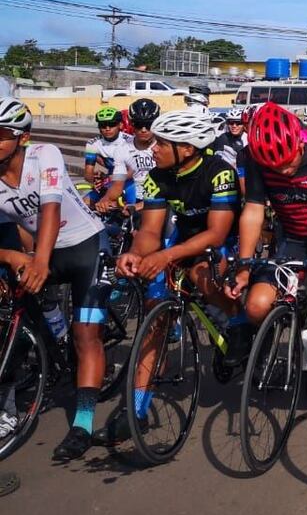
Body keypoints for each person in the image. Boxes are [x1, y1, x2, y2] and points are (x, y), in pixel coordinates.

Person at [104, 110, 239, 444]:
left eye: (162, 143)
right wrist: (137, 253)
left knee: (203, 277)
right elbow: (150, 229)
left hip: (220, 242)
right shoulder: (158, 176)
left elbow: (217, 235)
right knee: (155, 316)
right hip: (181, 242)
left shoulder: (220, 172)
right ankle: (135, 409)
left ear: (187, 148)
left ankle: (236, 325)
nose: (154, 149)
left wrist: (165, 255)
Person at [0, 99, 110, 461]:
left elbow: (50, 207)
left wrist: (40, 261)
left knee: (85, 335)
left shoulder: (44, 154)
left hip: (84, 246)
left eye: (1, 135)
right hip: (40, 249)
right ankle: (18, 390)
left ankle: (82, 423)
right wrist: (14, 257)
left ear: (23, 138)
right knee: (16, 311)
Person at [225, 103, 307, 365]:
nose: (284, 172)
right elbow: (254, 212)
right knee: (256, 305)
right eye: (275, 167)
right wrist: (244, 267)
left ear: (300, 144)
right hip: (292, 240)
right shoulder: (256, 160)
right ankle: (263, 342)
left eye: (288, 162)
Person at [82, 106, 133, 210]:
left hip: (129, 180)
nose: (107, 128)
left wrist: (109, 178)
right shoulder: (93, 144)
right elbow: (88, 173)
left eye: (111, 124)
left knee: (128, 207)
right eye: (103, 125)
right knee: (84, 203)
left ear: (120, 125)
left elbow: (133, 171)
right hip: (109, 181)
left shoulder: (130, 141)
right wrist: (95, 180)